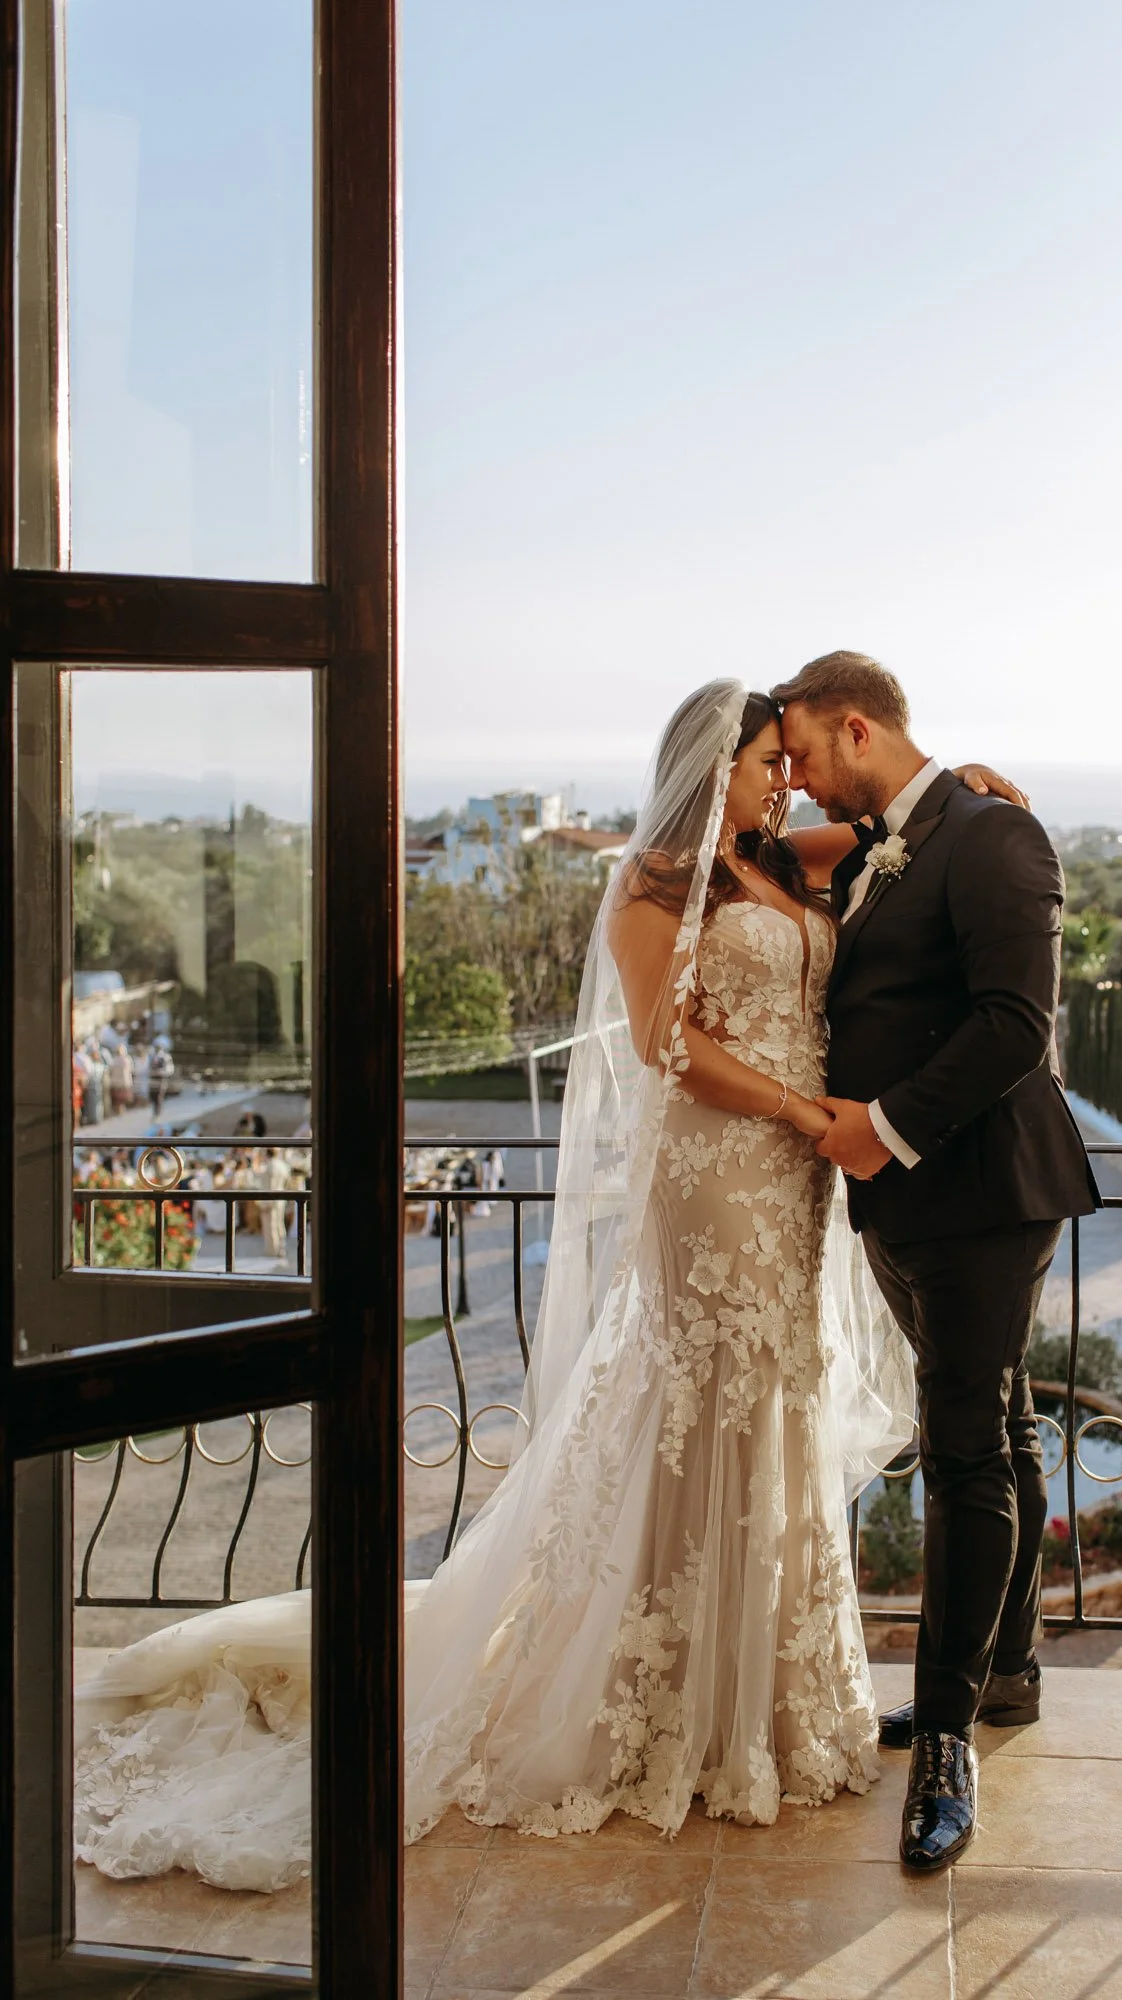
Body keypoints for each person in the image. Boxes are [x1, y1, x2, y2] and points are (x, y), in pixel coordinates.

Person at [72, 680, 1022, 1894]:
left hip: (794, 1185)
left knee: (778, 1394)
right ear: (707, 763)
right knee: (704, 1401)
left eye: (788, 764)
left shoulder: (783, 854)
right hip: (723, 1170)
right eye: (764, 762)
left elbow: (902, 827)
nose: (782, 780)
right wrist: (800, 1109)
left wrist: (974, 785)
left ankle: (769, 1698)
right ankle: (673, 1701)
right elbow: (662, 1044)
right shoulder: (655, 884)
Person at [772, 651, 1100, 1870]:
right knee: (1000, 1425)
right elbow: (760, 861)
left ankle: (949, 1736)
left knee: (961, 1443)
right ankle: (1005, 1673)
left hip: (977, 1191)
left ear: (855, 727)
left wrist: (885, 1125)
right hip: (904, 1204)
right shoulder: (873, 841)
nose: (795, 783)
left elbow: (1017, 1020)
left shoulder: (990, 833)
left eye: (803, 754)